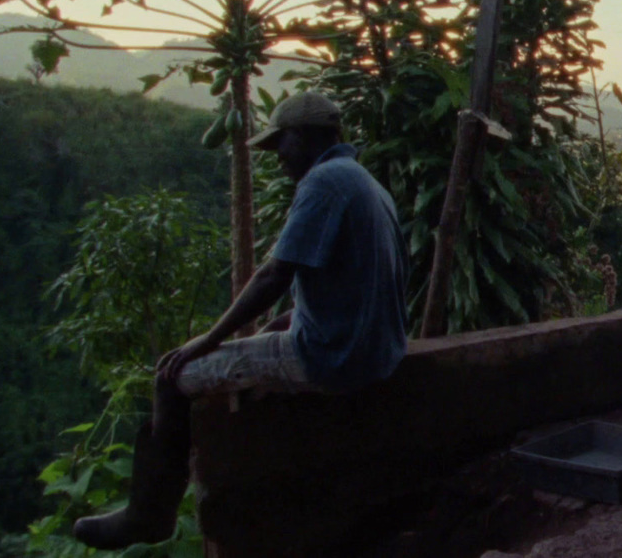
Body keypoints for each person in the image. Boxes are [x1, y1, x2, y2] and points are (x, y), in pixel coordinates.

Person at [74, 91, 409, 549]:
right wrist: (287, 320)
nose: (279, 160)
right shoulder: (364, 183)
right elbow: (354, 287)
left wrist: (208, 340)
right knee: (265, 336)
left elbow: (274, 274)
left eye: (281, 146)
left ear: (301, 137)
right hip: (379, 354)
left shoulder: (323, 182)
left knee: (172, 378)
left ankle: (149, 515)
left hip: (334, 359)